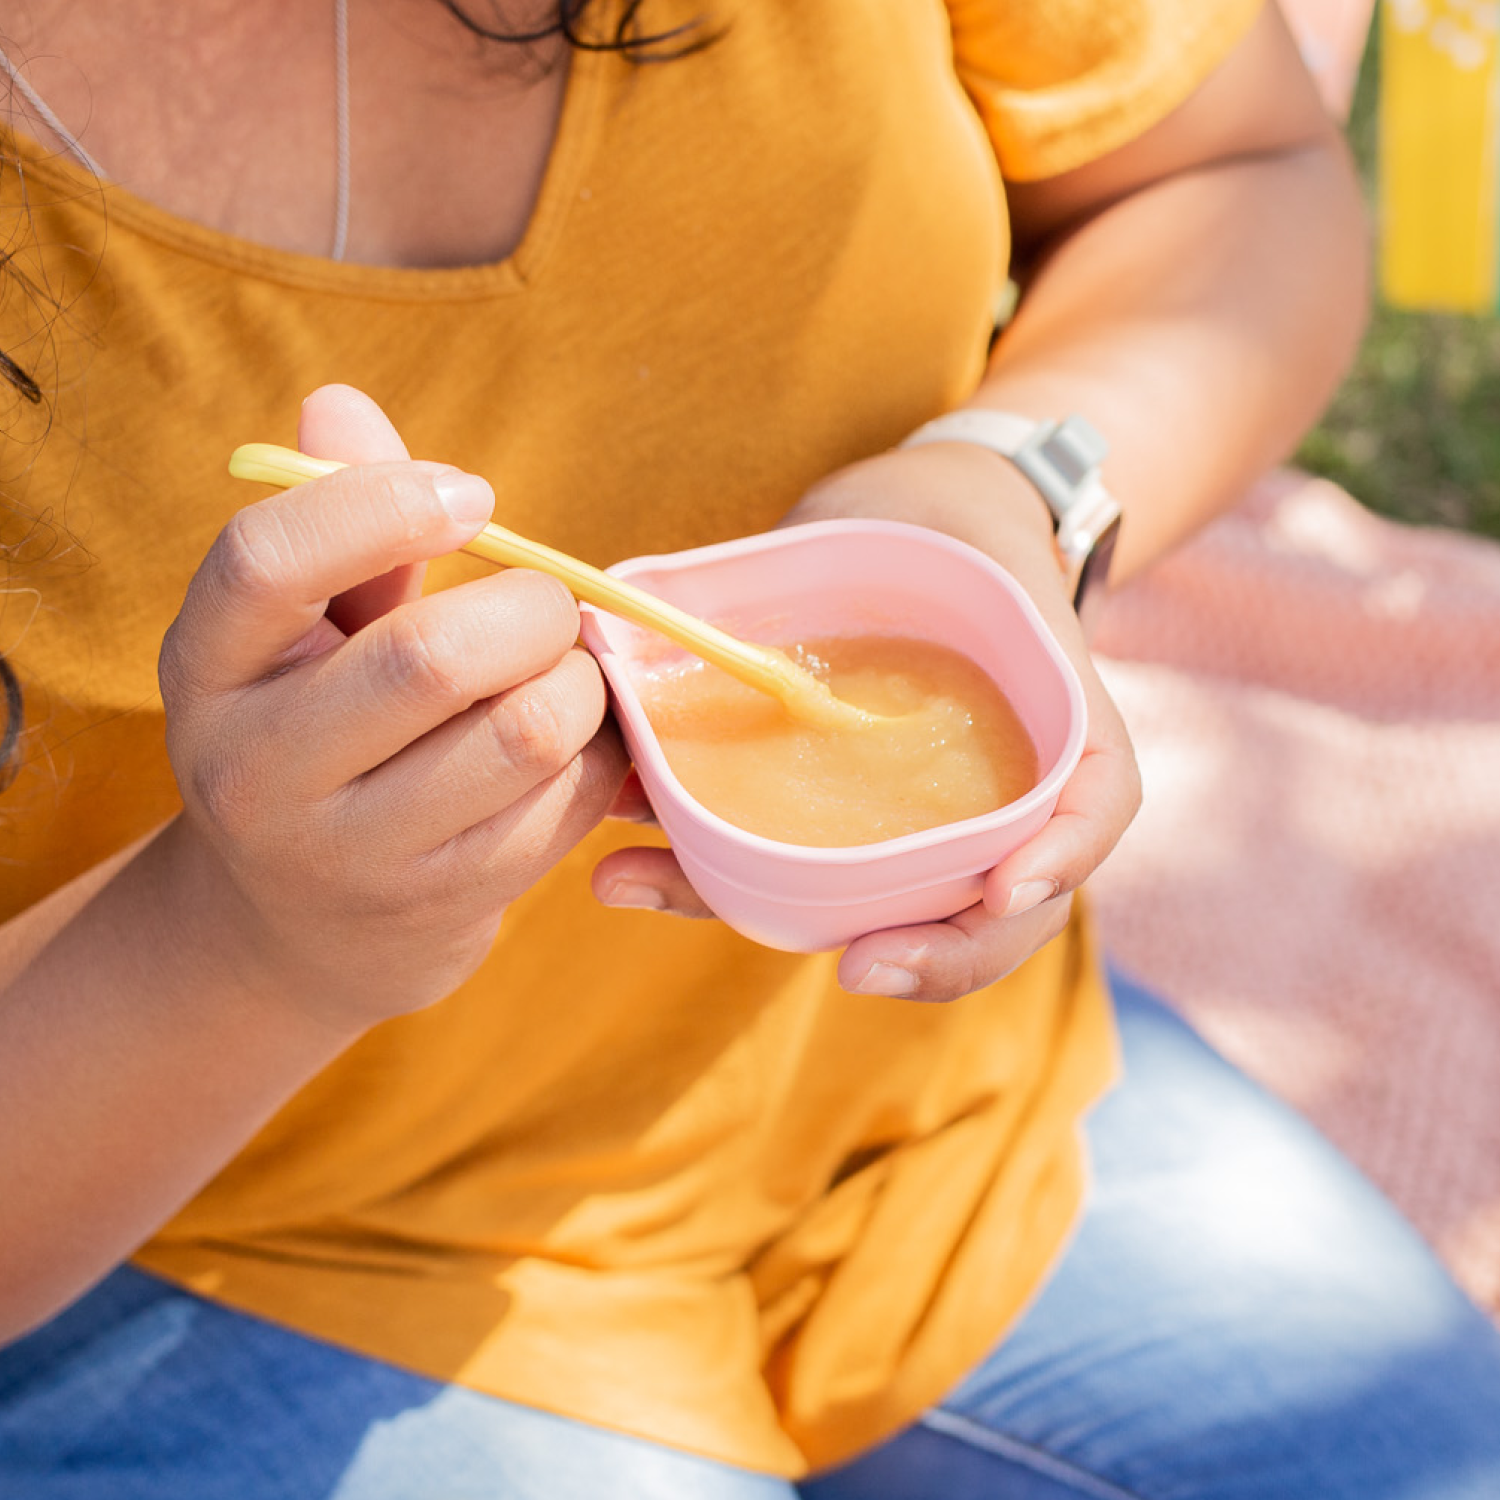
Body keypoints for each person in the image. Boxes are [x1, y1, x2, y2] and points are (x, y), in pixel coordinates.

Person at [1, 1, 1497, 1496]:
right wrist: (248, 941)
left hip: (933, 1127)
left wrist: (1009, 483)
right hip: (225, 1267)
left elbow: (1228, 174)